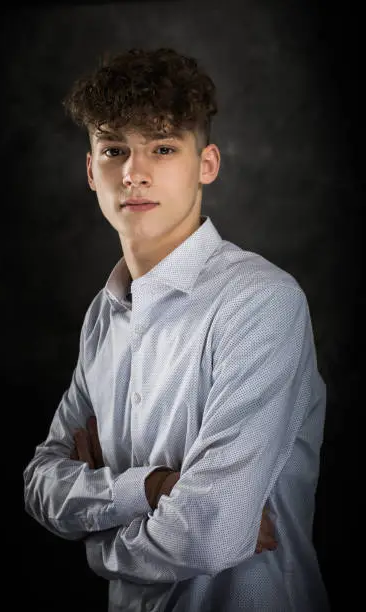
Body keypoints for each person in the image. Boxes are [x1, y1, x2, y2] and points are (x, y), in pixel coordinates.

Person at [23, 47, 330, 611]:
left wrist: (96, 543)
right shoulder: (105, 313)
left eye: (163, 148)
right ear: (92, 171)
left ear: (206, 164)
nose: (135, 172)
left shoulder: (261, 303)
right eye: (115, 149)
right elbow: (41, 483)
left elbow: (209, 528)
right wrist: (150, 488)